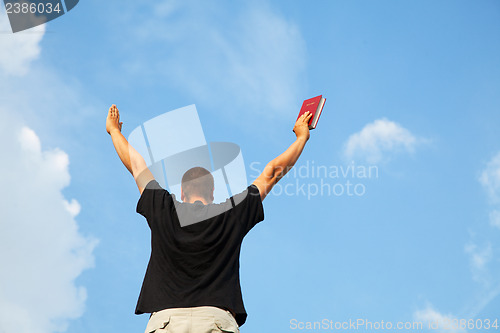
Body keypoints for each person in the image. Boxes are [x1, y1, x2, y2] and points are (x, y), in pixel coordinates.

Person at [106, 104, 313, 333]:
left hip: (167, 322)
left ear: (182, 193)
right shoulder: (232, 213)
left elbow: (136, 165)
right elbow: (272, 172)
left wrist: (115, 131)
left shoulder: (163, 207)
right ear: (212, 193)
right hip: (217, 321)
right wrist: (301, 138)